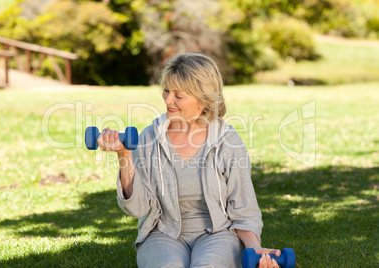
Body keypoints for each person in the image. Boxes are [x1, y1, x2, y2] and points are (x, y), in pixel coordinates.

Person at [97, 52, 281, 268]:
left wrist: (254, 248)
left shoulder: (228, 142)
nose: (167, 100)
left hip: (219, 233)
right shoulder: (149, 138)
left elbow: (243, 208)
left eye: (178, 95)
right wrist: (124, 155)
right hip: (162, 233)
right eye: (166, 90)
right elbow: (136, 209)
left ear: (203, 100)